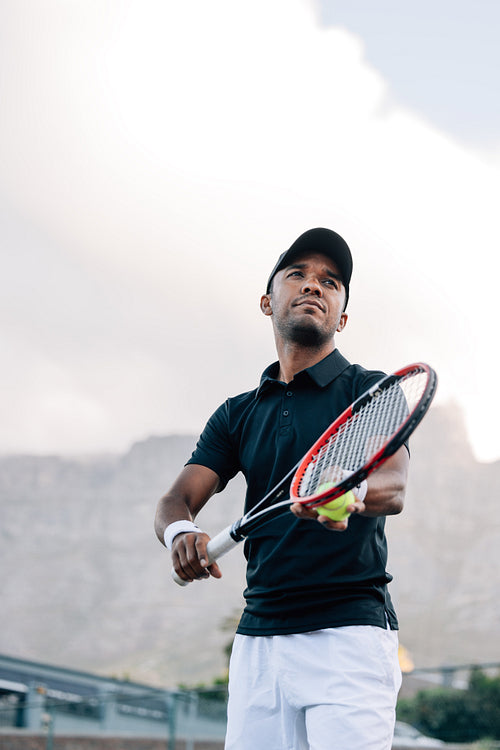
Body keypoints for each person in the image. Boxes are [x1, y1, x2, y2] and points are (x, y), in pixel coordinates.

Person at [154, 227, 409, 750]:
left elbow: (393, 485)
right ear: (269, 301)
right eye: (298, 274)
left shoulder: (372, 390)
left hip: (349, 636)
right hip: (258, 642)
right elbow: (175, 499)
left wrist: (350, 493)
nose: (314, 286)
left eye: (330, 282)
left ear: (342, 317)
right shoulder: (237, 413)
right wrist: (181, 532)